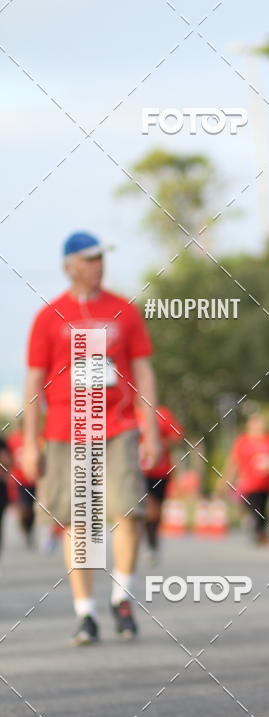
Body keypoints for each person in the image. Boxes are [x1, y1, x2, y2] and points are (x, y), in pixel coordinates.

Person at [22, 231, 160, 645]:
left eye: (101, 257)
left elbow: (144, 370)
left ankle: (122, 596)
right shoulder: (50, 316)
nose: (98, 264)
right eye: (89, 258)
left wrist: (150, 426)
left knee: (126, 511)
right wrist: (30, 442)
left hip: (117, 426)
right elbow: (33, 381)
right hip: (66, 429)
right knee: (77, 522)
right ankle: (86, 613)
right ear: (69, 266)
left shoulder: (124, 310)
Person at [221, 413, 269, 544]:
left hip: (267, 482)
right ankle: (259, 532)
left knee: (263, 507)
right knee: (255, 506)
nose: (258, 427)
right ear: (249, 425)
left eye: (261, 424)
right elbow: (234, 462)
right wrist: (225, 480)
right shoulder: (242, 441)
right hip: (249, 483)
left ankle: (261, 532)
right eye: (256, 424)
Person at [137, 403, 184, 563]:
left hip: (161, 470)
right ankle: (146, 543)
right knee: (147, 506)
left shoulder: (162, 413)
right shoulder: (128, 412)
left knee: (156, 510)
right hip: (137, 472)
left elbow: (177, 436)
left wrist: (158, 445)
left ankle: (152, 541)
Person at [6, 428, 37, 548]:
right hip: (19, 479)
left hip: (33, 478)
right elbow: (8, 457)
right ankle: (24, 527)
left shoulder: (37, 437)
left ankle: (29, 529)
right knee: (23, 506)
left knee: (32, 508)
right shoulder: (13, 439)